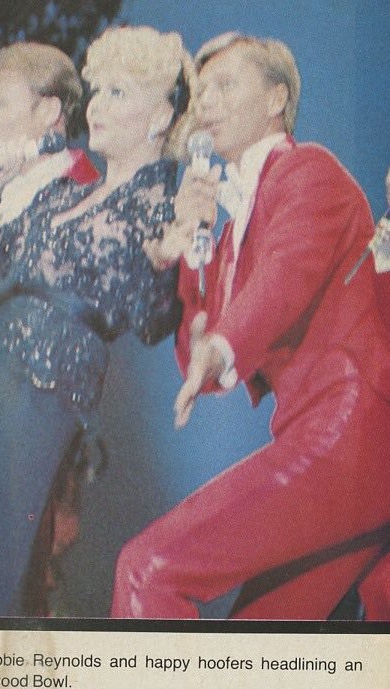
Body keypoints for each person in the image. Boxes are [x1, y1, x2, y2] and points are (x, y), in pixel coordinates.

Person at [0, 26, 193, 617]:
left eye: (118, 93)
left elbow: (153, 319)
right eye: (98, 90)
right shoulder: (63, 195)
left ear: (160, 116)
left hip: (38, 393)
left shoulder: (162, 206)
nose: (97, 106)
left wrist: (172, 253)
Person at [111, 33, 390, 619]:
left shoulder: (307, 170)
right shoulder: (231, 228)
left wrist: (223, 344)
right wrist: (194, 247)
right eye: (201, 91)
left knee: (147, 569)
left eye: (225, 84)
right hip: (327, 442)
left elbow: (288, 272)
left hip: (352, 428)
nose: (206, 102)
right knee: (258, 638)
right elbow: (201, 358)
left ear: (275, 100)